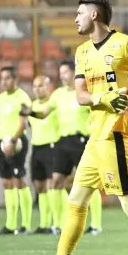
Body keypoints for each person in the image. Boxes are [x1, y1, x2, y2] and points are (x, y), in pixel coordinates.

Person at [20, 0, 128, 255]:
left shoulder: (127, 45)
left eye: (80, 13)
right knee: (75, 200)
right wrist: (103, 98)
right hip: (95, 139)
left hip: (116, 137)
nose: (75, 19)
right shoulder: (82, 52)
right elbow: (81, 95)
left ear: (95, 15)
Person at [48, 59, 95, 235]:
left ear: (74, 73)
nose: (62, 76)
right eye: (60, 74)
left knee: (86, 182)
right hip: (62, 142)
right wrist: (29, 112)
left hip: (81, 140)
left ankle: (94, 223)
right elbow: (45, 111)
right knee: (56, 181)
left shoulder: (83, 93)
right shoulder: (57, 94)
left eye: (65, 73)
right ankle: (58, 223)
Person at [0, 66, 31, 234]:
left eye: (7, 78)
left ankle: (25, 224)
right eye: (2, 78)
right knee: (7, 182)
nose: (4, 81)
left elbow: (23, 123)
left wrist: (12, 141)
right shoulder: (1, 98)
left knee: (19, 180)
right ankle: (11, 224)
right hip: (2, 143)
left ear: (14, 79)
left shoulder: (22, 97)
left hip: (17, 143)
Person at [26, 76, 58, 234]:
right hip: (36, 147)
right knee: (39, 186)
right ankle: (44, 223)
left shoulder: (52, 104)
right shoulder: (31, 106)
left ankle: (57, 222)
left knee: (53, 185)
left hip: (51, 146)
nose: (37, 89)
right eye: (35, 86)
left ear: (48, 87)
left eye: (41, 86)